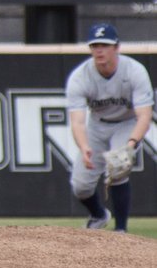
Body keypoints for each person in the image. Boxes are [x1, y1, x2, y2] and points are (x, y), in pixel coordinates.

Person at [65, 23, 154, 233]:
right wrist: (84, 146)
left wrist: (131, 144)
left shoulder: (134, 71)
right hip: (97, 126)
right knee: (80, 186)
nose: (99, 50)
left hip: (127, 123)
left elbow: (145, 115)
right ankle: (98, 215)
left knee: (117, 168)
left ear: (116, 47)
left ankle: (121, 229)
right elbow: (77, 120)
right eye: (95, 45)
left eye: (104, 45)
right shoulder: (80, 77)